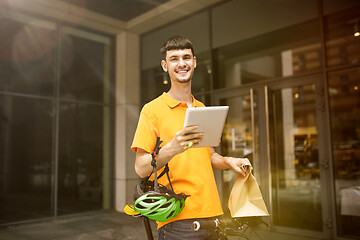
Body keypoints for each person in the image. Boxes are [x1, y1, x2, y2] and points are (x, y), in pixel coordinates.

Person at [131, 35, 251, 240]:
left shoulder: (201, 108)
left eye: (186, 57)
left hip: (213, 215)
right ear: (164, 65)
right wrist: (172, 148)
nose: (181, 63)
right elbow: (141, 167)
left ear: (194, 62)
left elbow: (209, 156)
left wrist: (229, 160)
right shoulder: (151, 110)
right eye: (174, 59)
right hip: (178, 221)